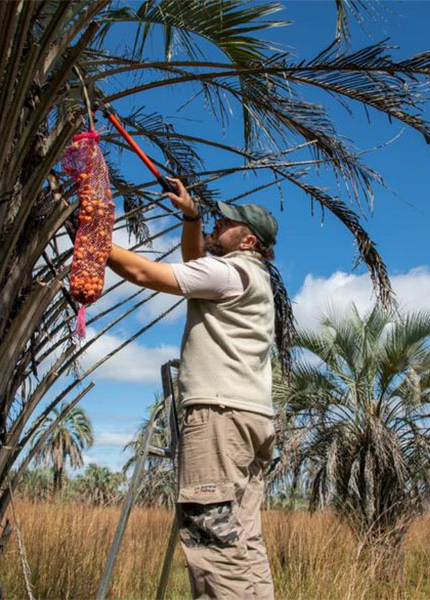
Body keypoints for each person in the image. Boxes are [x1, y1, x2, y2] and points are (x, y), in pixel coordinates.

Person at [106, 177, 277, 599]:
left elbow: (142, 271)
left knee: (213, 544)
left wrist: (90, 234)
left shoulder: (229, 271)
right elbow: (196, 261)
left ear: (249, 240)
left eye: (227, 222)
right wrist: (191, 217)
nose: (219, 223)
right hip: (251, 420)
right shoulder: (251, 277)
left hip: (219, 419)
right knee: (244, 540)